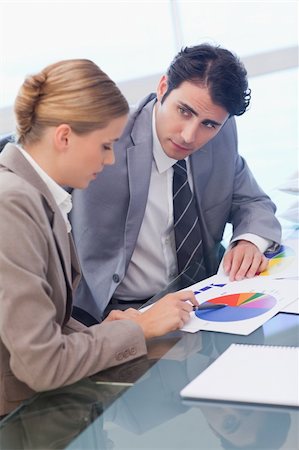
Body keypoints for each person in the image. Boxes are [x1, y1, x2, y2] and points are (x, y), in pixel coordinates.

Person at [0, 59, 198, 418]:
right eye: (106, 145)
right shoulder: (10, 202)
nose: (110, 160)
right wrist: (136, 331)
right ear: (64, 137)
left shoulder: (37, 194)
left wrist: (110, 331)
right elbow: (41, 364)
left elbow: (49, 324)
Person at [70, 43, 281, 324]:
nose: (189, 136)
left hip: (203, 299)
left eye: (209, 124)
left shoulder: (222, 136)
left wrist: (247, 241)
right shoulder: (106, 140)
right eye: (184, 111)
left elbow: (253, 201)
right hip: (122, 312)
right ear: (162, 88)